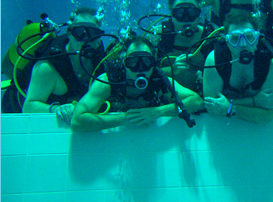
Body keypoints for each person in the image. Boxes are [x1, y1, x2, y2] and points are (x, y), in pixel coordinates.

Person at [71, 36, 204, 132]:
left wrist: (158, 111)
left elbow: (196, 101)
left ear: (153, 64)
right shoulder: (108, 81)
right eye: (133, 62)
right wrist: (124, 119)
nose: (140, 68)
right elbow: (77, 120)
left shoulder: (160, 80)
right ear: (124, 64)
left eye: (146, 62)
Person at [22, 7, 106, 125]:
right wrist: (55, 109)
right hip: (15, 108)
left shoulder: (101, 58)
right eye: (79, 32)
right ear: (69, 33)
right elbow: (28, 106)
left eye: (92, 34)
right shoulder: (48, 66)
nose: (85, 40)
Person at [203, 10, 273, 123]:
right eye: (235, 39)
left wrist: (230, 107)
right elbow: (213, 108)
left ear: (257, 39)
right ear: (227, 41)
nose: (243, 44)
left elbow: (267, 115)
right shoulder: (215, 61)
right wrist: (255, 101)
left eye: (249, 37)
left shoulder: (270, 65)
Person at [157, 0, 217, 93]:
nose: (186, 18)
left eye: (191, 12)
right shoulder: (159, 36)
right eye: (180, 13)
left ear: (198, 14)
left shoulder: (210, 38)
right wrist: (172, 69)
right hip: (167, 95)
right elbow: (143, 72)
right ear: (172, 14)